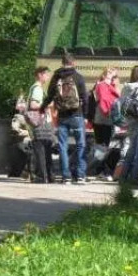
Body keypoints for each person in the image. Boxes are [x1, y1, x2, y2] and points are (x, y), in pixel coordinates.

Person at [41, 54, 88, 184]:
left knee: (62, 146)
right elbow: (85, 97)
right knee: (81, 145)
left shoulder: (57, 77)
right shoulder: (78, 77)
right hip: (77, 115)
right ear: (73, 62)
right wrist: (86, 115)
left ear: (62, 63)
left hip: (62, 115)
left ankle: (66, 176)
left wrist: (42, 108)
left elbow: (50, 95)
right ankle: (80, 175)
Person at [26, 66, 55, 183]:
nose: (47, 77)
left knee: (44, 149)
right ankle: (44, 176)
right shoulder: (37, 88)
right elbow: (33, 105)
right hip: (40, 122)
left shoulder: (38, 88)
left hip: (41, 122)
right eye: (46, 74)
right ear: (39, 74)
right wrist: (48, 105)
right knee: (42, 150)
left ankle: (45, 176)